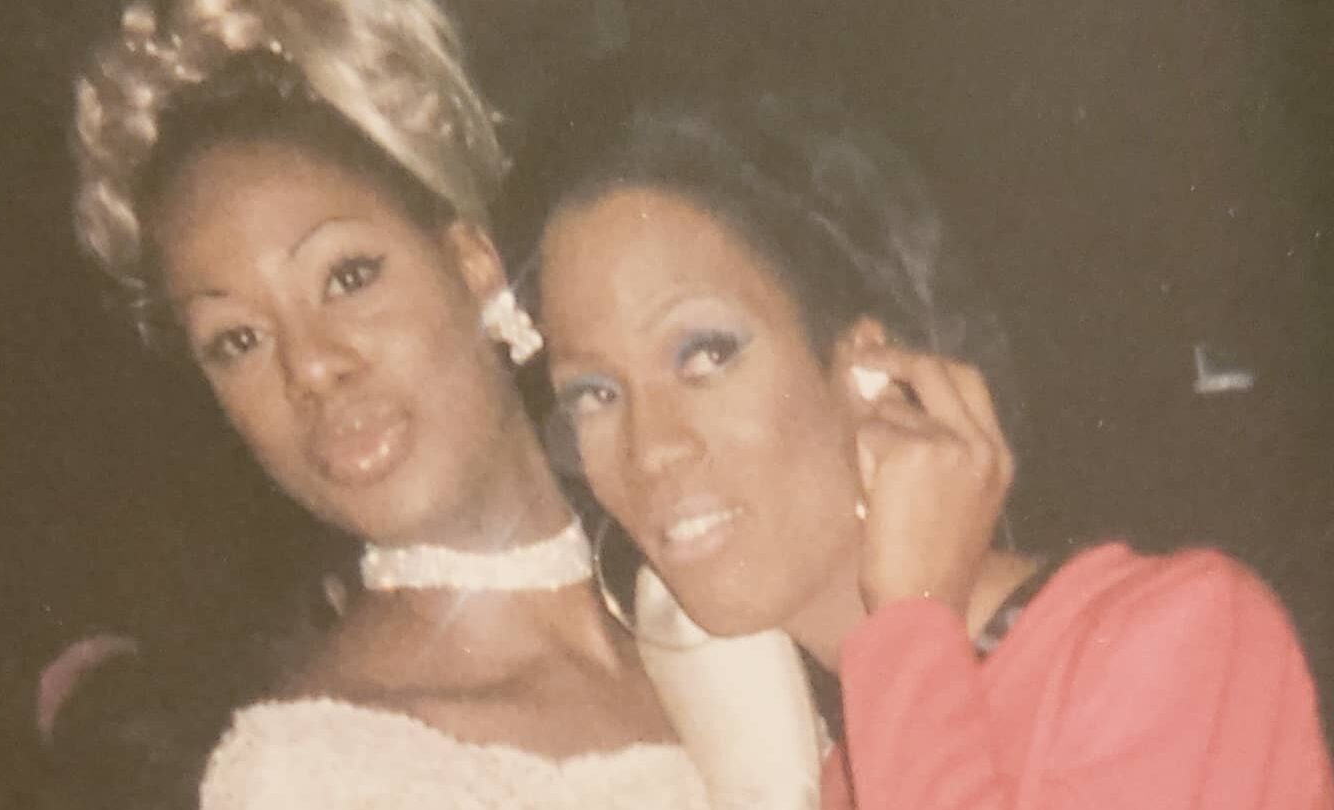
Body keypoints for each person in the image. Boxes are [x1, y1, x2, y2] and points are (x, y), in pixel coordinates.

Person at [523, 81, 1334, 808]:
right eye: (594, 394)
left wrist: (911, 615)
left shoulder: (1179, 641)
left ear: (867, 370)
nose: (650, 448)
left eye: (704, 355)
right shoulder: (835, 777)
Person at [69, 1, 720, 806]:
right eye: (237, 340)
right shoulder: (313, 775)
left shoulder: (722, 588)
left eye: (347, 278)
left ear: (473, 264)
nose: (311, 367)